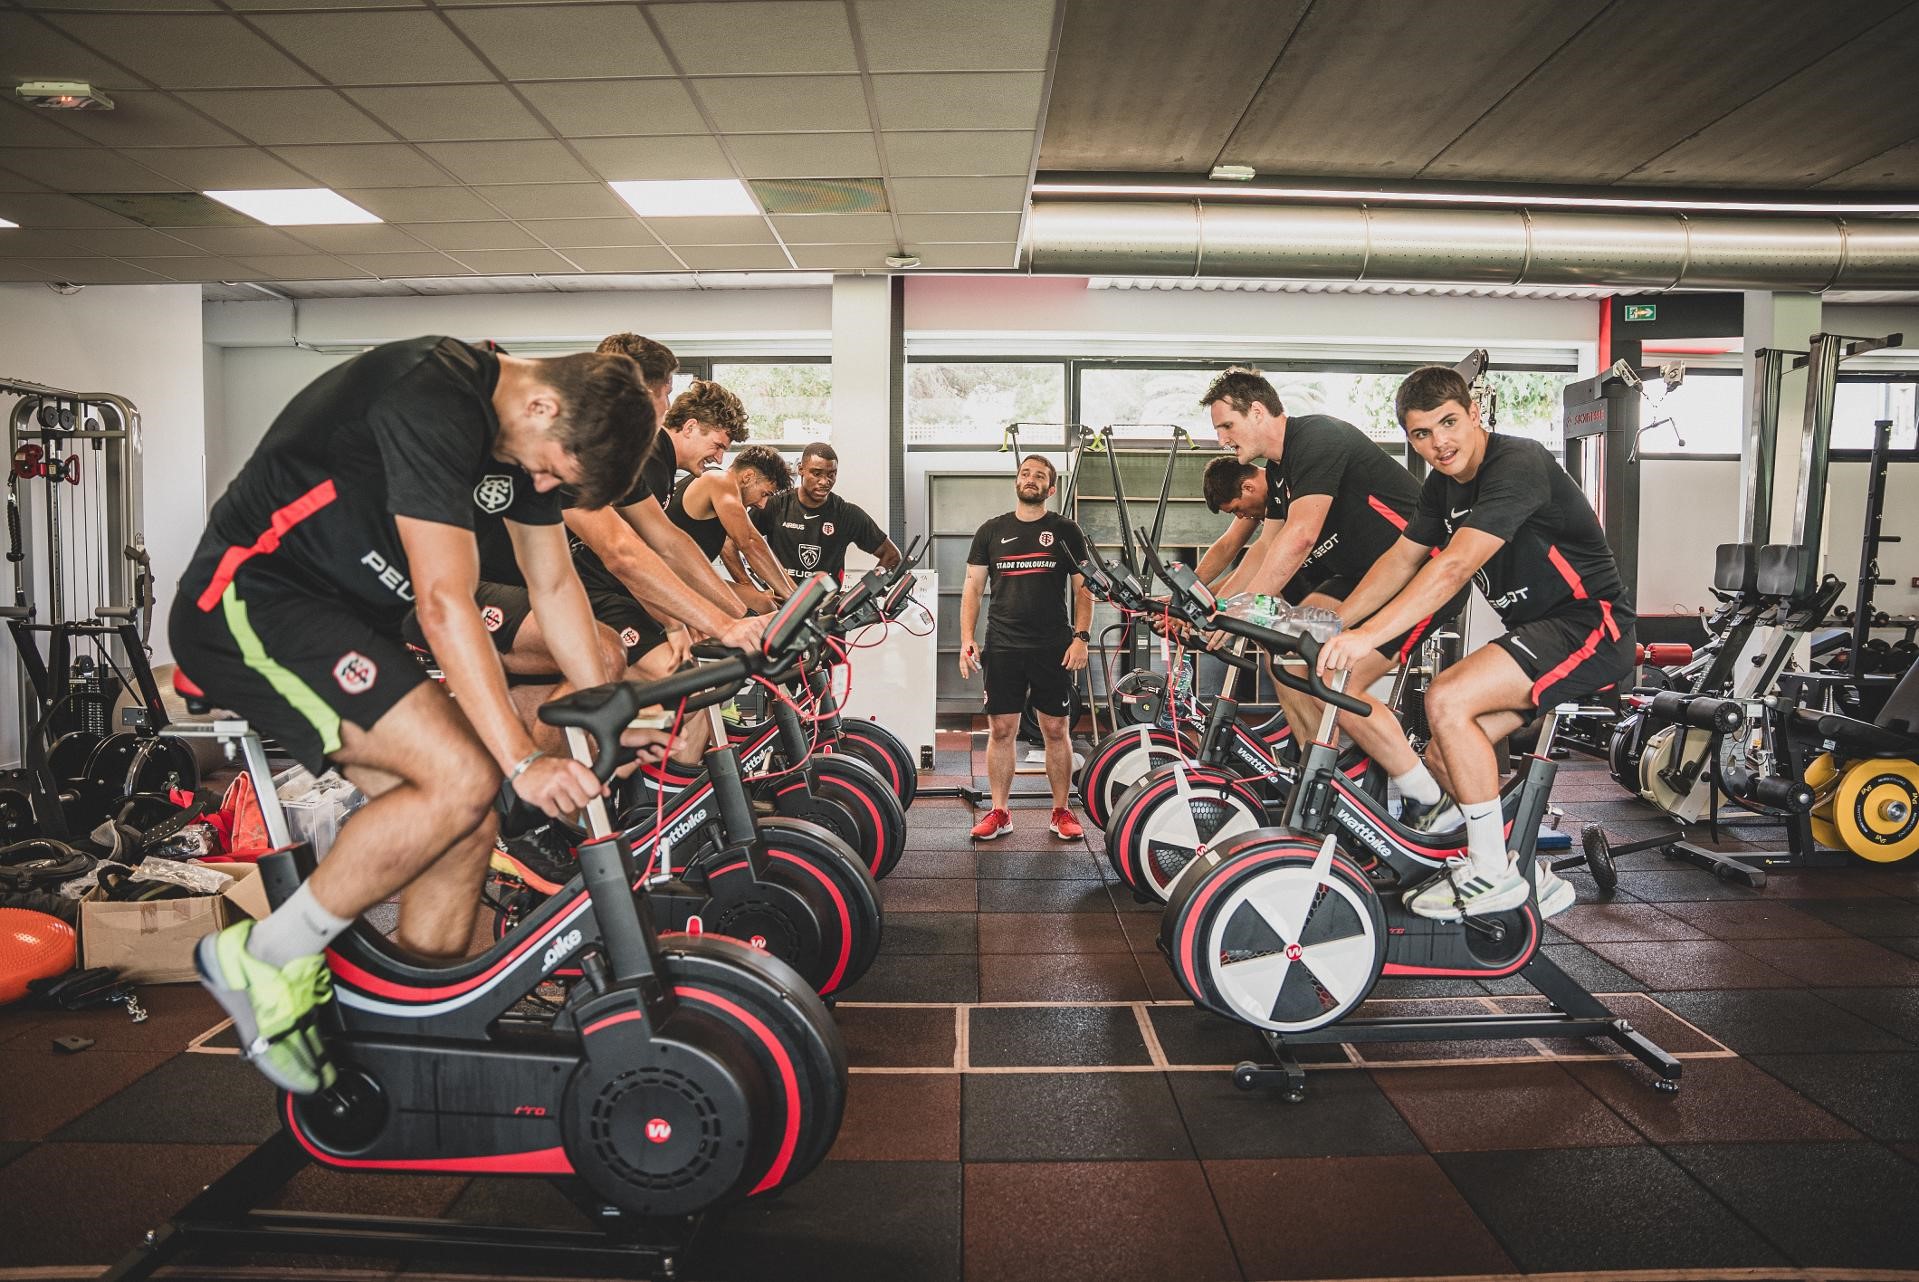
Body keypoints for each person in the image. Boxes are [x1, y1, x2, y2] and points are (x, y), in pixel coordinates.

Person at [170, 337, 667, 1094]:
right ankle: (264, 955)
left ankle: (416, 1043)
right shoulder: (431, 395)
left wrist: (612, 704)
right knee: (465, 777)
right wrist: (523, 762)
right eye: (548, 469)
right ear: (543, 404)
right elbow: (443, 601)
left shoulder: (524, 441)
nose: (539, 482)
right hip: (253, 599)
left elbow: (556, 589)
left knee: (467, 820)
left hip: (346, 618)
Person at [1317, 364, 1634, 920]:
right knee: (1444, 751)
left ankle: (1491, 874)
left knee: (1447, 697)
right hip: (1542, 631)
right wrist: (1339, 621)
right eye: (1421, 433)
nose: (1438, 443)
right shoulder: (1442, 486)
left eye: (1448, 423)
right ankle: (1524, 869)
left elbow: (1456, 565)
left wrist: (1367, 638)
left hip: (1592, 626)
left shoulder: (1519, 462)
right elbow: (1402, 558)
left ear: (1473, 413)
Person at [1201, 367, 1467, 826]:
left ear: (1258, 411)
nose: (1223, 438)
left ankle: (1429, 800)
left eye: (1227, 425)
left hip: (1420, 576)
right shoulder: (1279, 472)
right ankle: (1317, 775)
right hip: (1362, 579)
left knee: (1336, 682)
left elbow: (1301, 537)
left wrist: (1248, 606)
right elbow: (1265, 547)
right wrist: (1220, 608)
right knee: (1284, 658)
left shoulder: (1317, 438)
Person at [957, 455, 1094, 842]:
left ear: (1050, 489)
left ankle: (1061, 810)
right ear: (1017, 482)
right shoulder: (991, 531)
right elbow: (972, 587)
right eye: (1025, 473)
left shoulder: (1065, 530)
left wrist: (1081, 638)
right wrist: (967, 638)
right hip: (1002, 644)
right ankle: (1000, 812)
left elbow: (1085, 589)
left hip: (1052, 644)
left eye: (1039, 476)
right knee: (1001, 729)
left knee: (1055, 728)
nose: (1030, 479)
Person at [751, 442, 901, 588]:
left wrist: (861, 594)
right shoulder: (774, 505)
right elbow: (731, 542)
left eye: (831, 474)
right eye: (816, 473)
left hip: (827, 609)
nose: (824, 481)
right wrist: (747, 585)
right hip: (781, 606)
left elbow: (892, 556)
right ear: (801, 469)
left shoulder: (847, 514)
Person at [670, 444, 795, 614]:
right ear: (748, 477)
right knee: (765, 607)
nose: (762, 504)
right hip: (666, 580)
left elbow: (729, 545)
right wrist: (793, 598)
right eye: (765, 494)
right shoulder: (719, 480)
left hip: (686, 579)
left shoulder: (721, 492)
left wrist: (794, 593)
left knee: (763, 603)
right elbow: (751, 542)